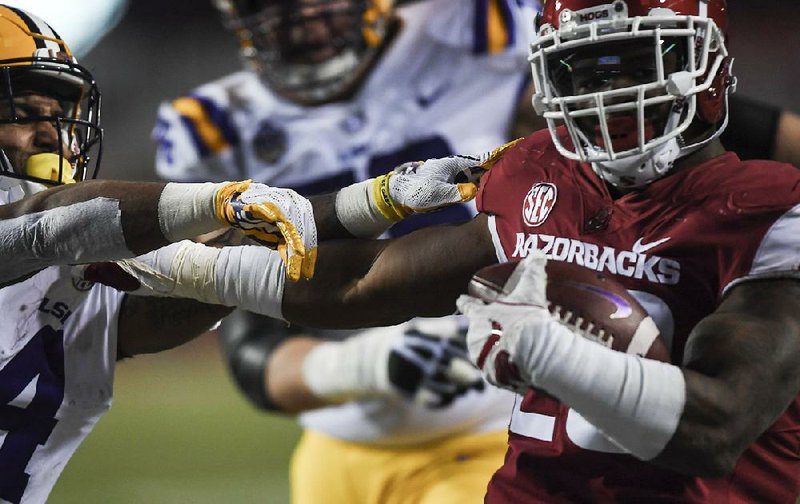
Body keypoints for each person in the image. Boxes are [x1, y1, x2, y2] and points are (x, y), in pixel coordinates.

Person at [119, 0, 800, 501]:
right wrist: (168, 265)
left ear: (705, 64)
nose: (606, 96)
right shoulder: (536, 173)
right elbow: (366, 280)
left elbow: (717, 426)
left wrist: (546, 350)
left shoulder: (771, 211)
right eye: (579, 71)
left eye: (631, 66)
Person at [152, 1, 539, 502]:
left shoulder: (476, 34)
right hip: (335, 444)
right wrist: (371, 364)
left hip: (493, 427)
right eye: (271, 7)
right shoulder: (216, 127)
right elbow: (251, 343)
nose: (306, 20)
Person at [0, 5, 320, 502]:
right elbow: (53, 220)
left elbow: (144, 312)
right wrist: (216, 200)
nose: (51, 134)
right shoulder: (47, 232)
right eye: (24, 112)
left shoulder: (60, 267)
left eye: (56, 113)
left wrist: (369, 203)